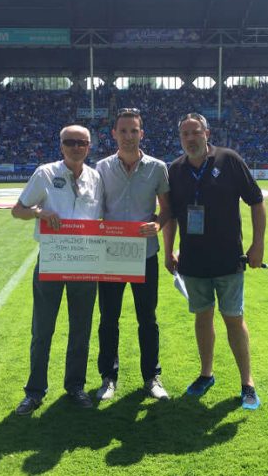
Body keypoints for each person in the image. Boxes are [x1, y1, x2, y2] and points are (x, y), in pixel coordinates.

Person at [162, 113, 266, 410]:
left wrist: (258, 245)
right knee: (202, 317)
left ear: (206, 133)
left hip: (228, 259)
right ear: (180, 138)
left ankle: (247, 383)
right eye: (185, 134)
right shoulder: (176, 170)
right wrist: (169, 250)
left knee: (234, 319)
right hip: (193, 263)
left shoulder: (229, 160)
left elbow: (257, 202)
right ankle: (206, 374)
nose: (190, 138)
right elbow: (170, 216)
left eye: (195, 132)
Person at [11, 125, 103, 416]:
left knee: (81, 329)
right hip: (51, 259)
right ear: (61, 145)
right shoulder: (45, 173)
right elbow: (18, 210)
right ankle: (35, 392)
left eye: (82, 142)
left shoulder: (96, 177)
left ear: (89, 146)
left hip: (85, 262)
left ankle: (75, 386)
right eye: (70, 142)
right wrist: (39, 212)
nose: (76, 147)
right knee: (43, 329)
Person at [94, 108, 172, 402]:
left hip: (144, 255)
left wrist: (158, 223)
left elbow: (166, 209)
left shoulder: (157, 168)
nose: (129, 136)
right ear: (114, 134)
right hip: (111, 255)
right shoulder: (100, 168)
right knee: (108, 319)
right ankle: (108, 378)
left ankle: (151, 377)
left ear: (142, 133)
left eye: (134, 131)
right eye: (123, 131)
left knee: (147, 319)